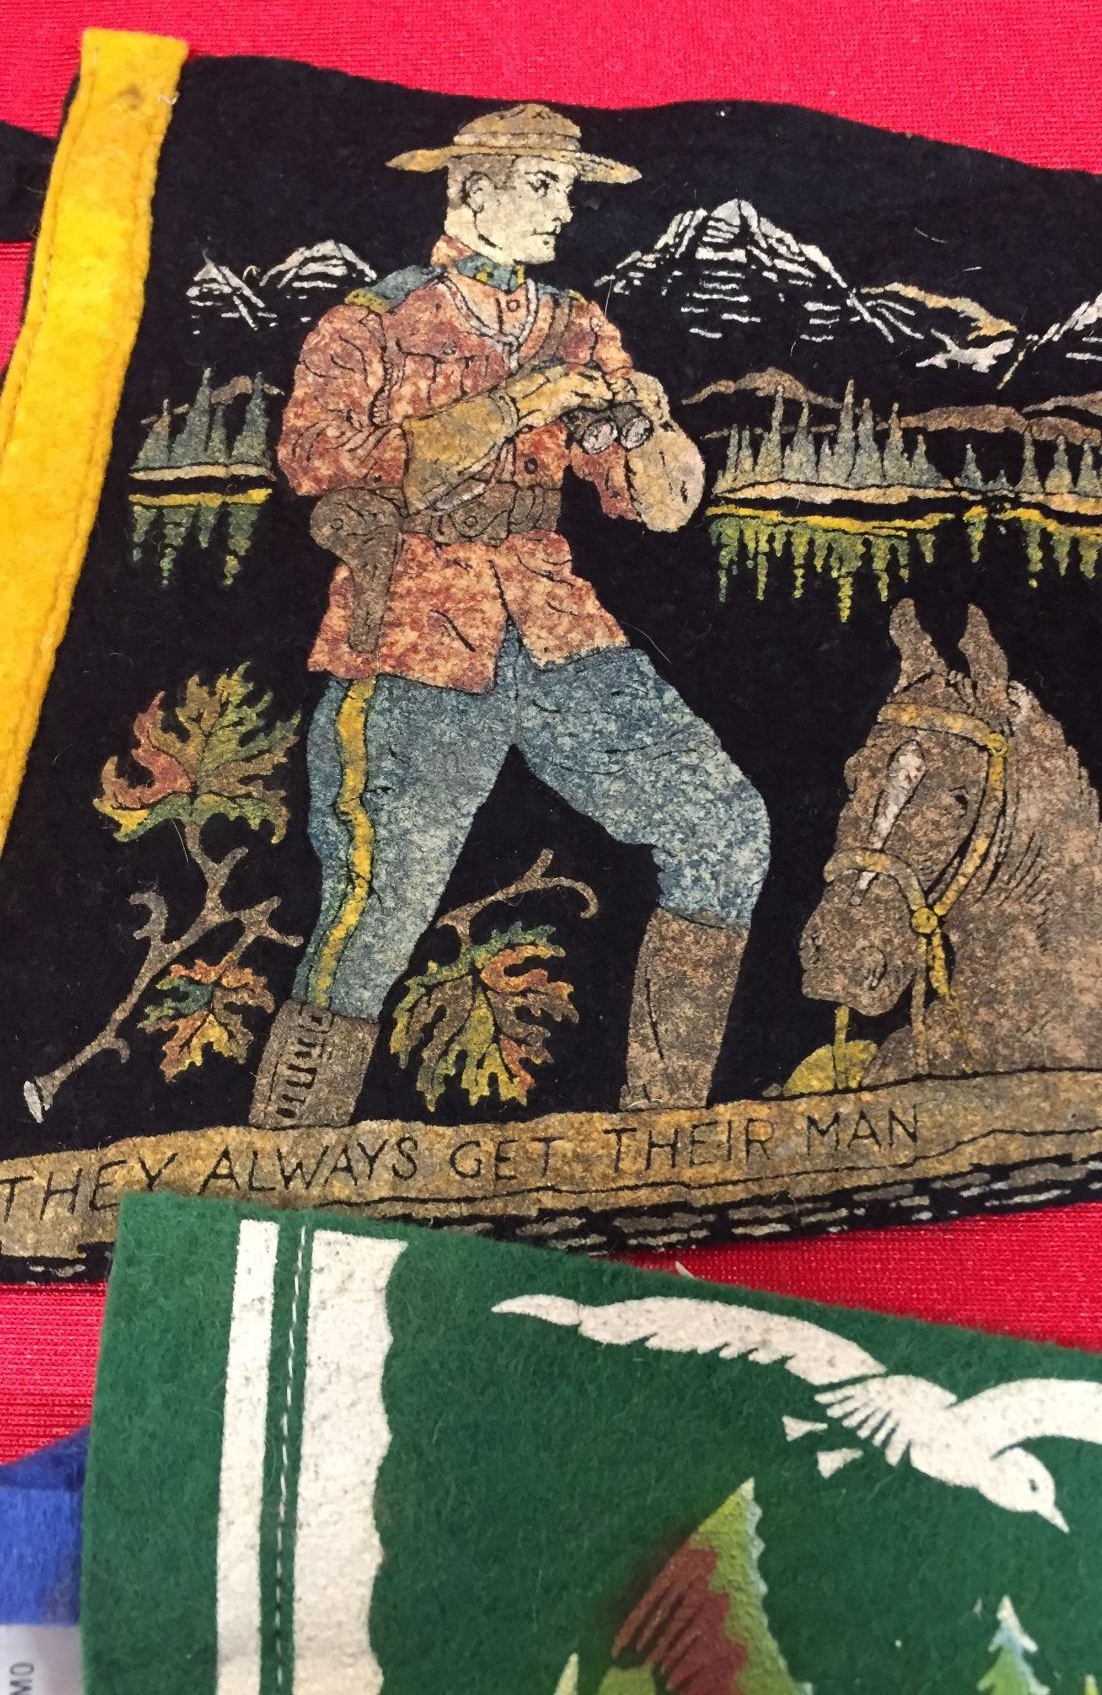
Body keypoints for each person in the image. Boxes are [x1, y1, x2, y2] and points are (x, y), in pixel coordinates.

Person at [250, 104, 770, 1126]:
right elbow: (314, 462)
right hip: (416, 632)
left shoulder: (579, 324)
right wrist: (520, 405)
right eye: (542, 186)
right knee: (380, 901)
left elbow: (664, 508)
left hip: (557, 624)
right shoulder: (373, 321)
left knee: (725, 827)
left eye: (567, 190)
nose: (563, 211)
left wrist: (648, 426)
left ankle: (664, 1130)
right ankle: (285, 1149)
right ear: (469, 188)